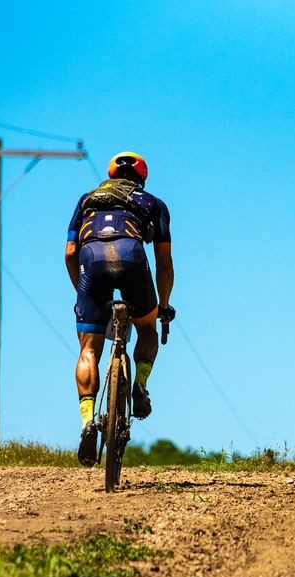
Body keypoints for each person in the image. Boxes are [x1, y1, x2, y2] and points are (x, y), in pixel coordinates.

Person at [65, 152, 175, 467]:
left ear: (111, 177)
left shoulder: (87, 200)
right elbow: (164, 262)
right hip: (131, 257)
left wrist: (82, 293)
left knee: (88, 349)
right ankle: (140, 384)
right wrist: (163, 306)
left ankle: (88, 421)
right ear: (142, 178)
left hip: (91, 265)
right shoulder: (153, 203)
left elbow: (70, 252)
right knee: (146, 329)